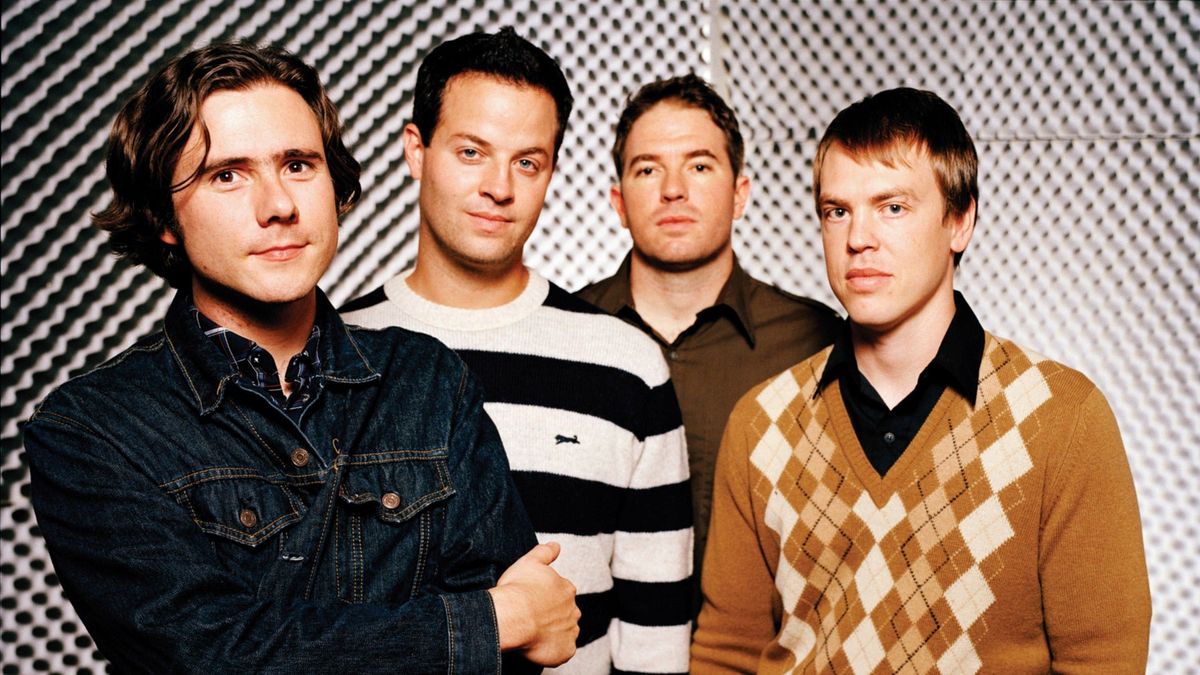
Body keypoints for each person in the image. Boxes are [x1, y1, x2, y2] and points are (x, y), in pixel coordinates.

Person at [22, 41, 580, 672]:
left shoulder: (430, 380)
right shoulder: (92, 429)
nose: (279, 206)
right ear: (163, 217)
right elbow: (209, 656)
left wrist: (497, 629)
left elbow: (521, 653)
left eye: (297, 165)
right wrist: (489, 622)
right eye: (227, 175)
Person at [692, 88, 1151, 673]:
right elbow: (726, 653)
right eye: (837, 211)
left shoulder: (1062, 419)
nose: (858, 238)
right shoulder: (761, 424)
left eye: (892, 207)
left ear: (960, 221)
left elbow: (1102, 661)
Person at [341, 29, 691, 674]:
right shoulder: (334, 351)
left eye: (527, 162)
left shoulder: (627, 366)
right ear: (416, 150)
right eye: (471, 152)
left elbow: (656, 630)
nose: (499, 187)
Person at [576, 74, 840, 606]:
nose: (673, 189)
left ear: (740, 194)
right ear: (619, 203)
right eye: (648, 169)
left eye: (699, 166)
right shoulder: (564, 334)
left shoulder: (817, 343)